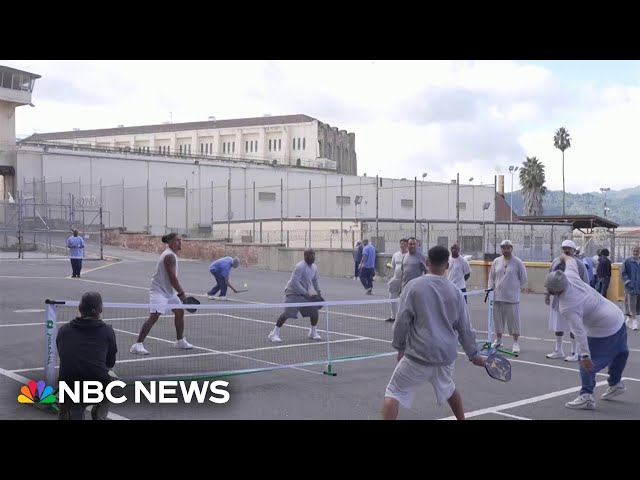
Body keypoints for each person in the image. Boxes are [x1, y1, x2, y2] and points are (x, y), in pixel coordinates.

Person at [382, 245, 485, 420]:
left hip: (418, 355)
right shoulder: (456, 292)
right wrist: (474, 355)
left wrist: (400, 347)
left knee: (394, 392)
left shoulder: (413, 287)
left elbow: (401, 322)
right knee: (450, 389)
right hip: (444, 356)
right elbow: (465, 328)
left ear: (427, 262)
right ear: (447, 265)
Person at [544, 268, 629, 410]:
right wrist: (565, 256)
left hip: (602, 327)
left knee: (587, 363)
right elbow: (569, 260)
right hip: (617, 316)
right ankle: (615, 384)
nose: (547, 289)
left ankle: (586, 396)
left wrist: (584, 354)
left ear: (557, 291)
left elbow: (579, 331)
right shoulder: (570, 275)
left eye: (549, 289)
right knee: (621, 352)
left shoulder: (567, 305)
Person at [56, 292, 117, 420]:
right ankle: (99, 414)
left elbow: (64, 356)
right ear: (100, 309)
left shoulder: (64, 330)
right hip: (95, 384)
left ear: (80, 308)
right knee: (113, 381)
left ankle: (65, 413)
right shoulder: (107, 331)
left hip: (68, 385)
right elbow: (110, 362)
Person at [130, 233, 193, 355]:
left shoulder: (172, 254)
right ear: (169, 242)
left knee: (179, 312)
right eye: (177, 241)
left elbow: (171, 280)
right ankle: (137, 345)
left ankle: (179, 341)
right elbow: (172, 278)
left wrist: (177, 293)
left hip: (169, 292)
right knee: (154, 317)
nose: (180, 243)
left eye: (180, 240)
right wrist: (181, 294)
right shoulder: (169, 256)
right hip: (158, 291)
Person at [545, 240, 590, 362]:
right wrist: (547, 294)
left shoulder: (579, 264)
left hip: (573, 302)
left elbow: (585, 282)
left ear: (574, 251)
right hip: (557, 300)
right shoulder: (556, 262)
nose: (566, 250)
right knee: (557, 325)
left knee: (573, 326)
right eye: (564, 248)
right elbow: (550, 278)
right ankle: (558, 350)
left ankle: (575, 352)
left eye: (569, 248)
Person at [268, 248, 323, 343]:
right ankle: (274, 334)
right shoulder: (299, 267)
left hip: (304, 294)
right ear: (305, 256)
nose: (313, 257)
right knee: (287, 313)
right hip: (292, 293)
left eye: (314, 255)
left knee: (314, 311)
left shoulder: (314, 267)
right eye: (310, 255)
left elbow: (315, 280)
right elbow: (294, 282)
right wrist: (306, 294)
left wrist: (318, 292)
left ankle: (312, 332)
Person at [488, 239, 528, 353]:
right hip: (497, 296)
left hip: (512, 298)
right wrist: (490, 289)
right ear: (501, 249)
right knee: (498, 321)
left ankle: (515, 343)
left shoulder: (518, 262)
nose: (506, 250)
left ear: (511, 248)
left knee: (514, 321)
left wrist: (513, 287)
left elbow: (524, 278)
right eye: (503, 248)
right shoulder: (496, 261)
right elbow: (492, 277)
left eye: (508, 248)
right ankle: (499, 340)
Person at [386, 238, 408, 322]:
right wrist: (388, 269)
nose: (402, 245)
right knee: (392, 297)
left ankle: (403, 317)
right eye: (401, 243)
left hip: (405, 280)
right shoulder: (395, 255)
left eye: (404, 244)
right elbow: (392, 266)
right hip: (396, 279)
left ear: (407, 245)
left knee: (404, 299)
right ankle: (393, 316)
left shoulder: (409, 255)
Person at [621, 246, 640, 331]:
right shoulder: (627, 261)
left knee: (636, 303)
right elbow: (623, 273)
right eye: (634, 251)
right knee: (630, 303)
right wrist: (628, 283)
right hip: (631, 287)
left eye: (637, 251)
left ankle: (629, 318)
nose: (635, 252)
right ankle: (634, 321)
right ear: (631, 251)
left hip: (638, 286)